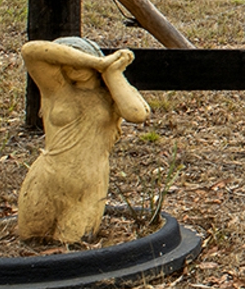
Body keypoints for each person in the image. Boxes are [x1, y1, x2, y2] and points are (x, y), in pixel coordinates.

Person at [17, 37, 149, 242]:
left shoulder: (111, 96)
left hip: (87, 186)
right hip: (46, 179)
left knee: (71, 245)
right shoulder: (56, 89)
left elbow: (137, 113)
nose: (73, 67)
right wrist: (97, 62)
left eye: (80, 59)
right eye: (69, 61)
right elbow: (30, 51)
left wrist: (111, 72)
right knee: (29, 239)